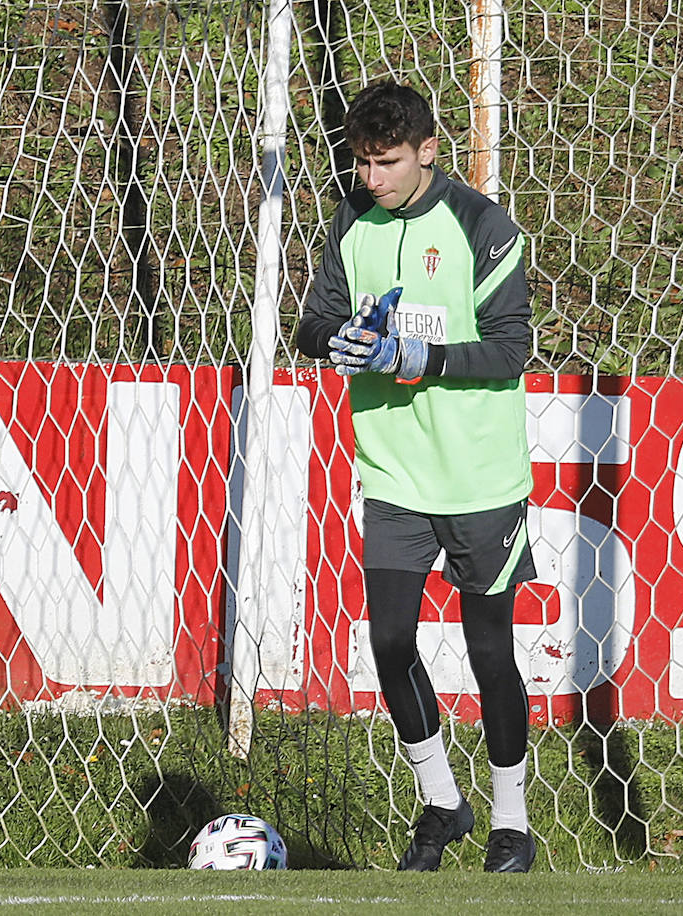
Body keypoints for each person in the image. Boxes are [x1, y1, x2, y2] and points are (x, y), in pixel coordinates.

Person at [295, 81, 537, 873]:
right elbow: (314, 320)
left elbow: (509, 350)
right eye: (363, 162)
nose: (374, 178)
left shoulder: (484, 227)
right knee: (391, 640)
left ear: (429, 151)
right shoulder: (353, 217)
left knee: (488, 649)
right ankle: (442, 803)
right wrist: (341, 344)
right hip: (393, 473)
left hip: (478, 480)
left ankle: (511, 822)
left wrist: (417, 357)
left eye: (388, 162)